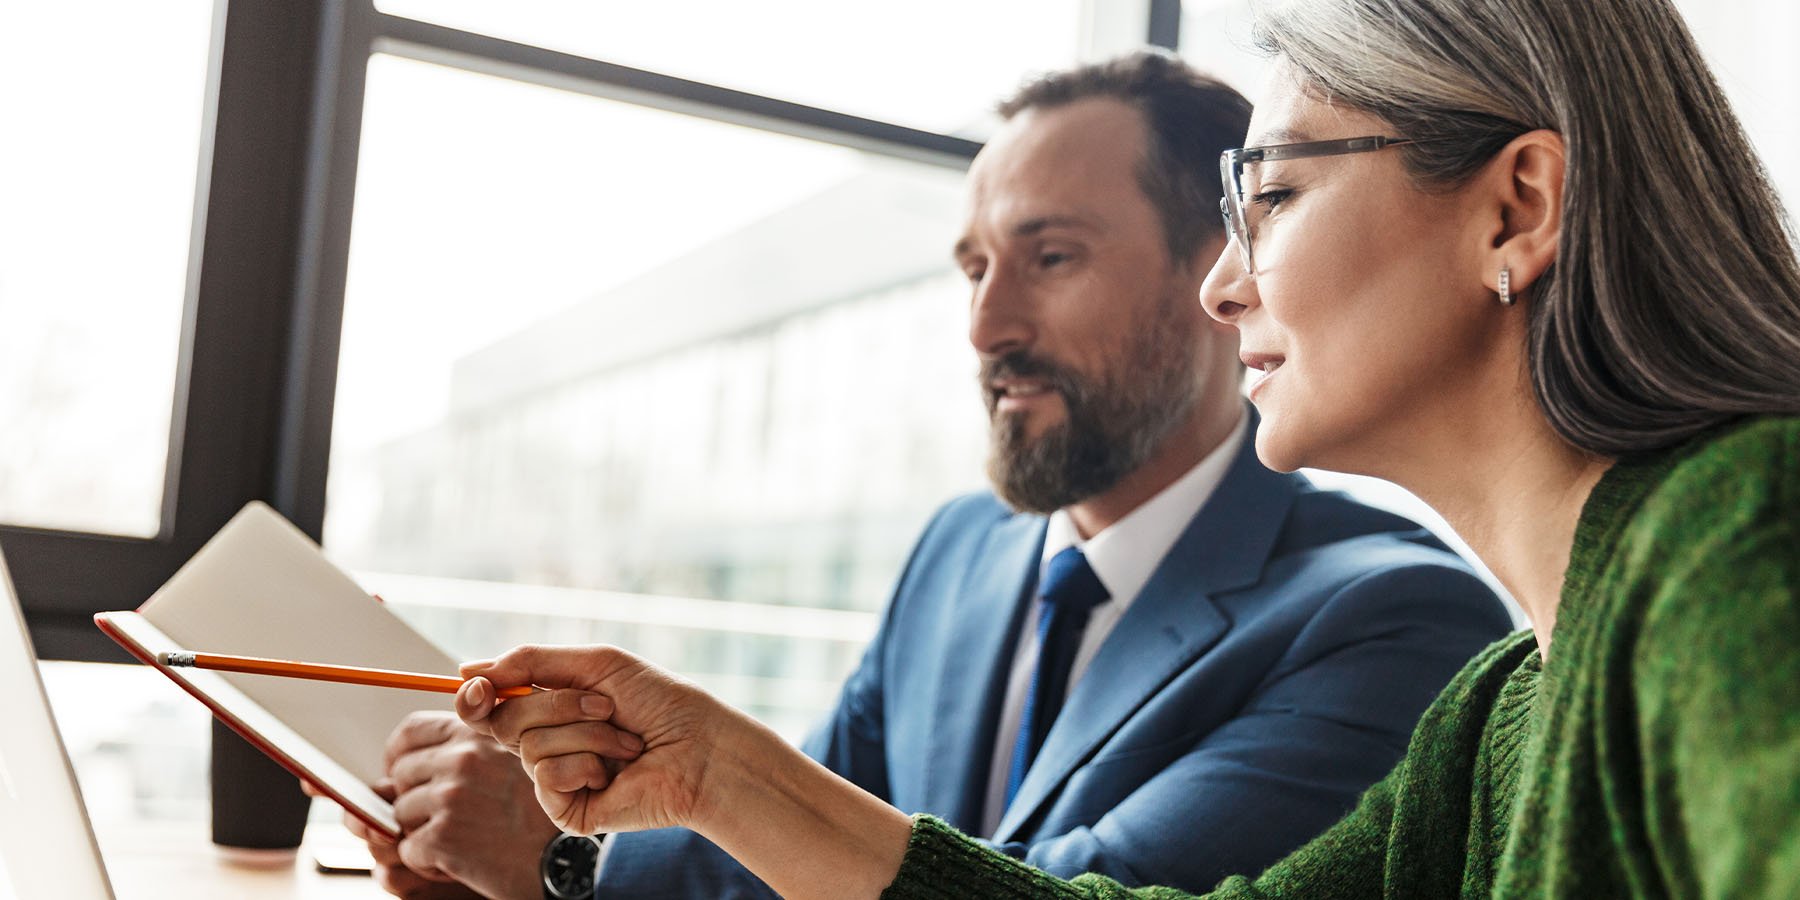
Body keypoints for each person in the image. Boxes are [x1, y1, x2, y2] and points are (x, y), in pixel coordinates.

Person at [449, 0, 1800, 897]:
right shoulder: (1507, 711)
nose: (1227, 289)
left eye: (1269, 197)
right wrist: (714, 772)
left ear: (1516, 207)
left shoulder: (1738, 538)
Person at [356, 52, 1510, 899]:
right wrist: (531, 877)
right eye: (973, 268)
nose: (987, 326)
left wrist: (570, 864)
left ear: (1222, 273)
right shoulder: (959, 555)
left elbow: (1047, 893)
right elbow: (774, 854)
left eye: (1052, 257)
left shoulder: (1394, 619)